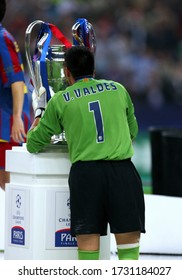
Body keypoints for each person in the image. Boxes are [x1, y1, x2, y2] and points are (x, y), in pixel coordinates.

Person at [26, 45, 145, 260]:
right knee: (129, 248)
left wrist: (36, 120)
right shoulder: (118, 89)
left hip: (86, 175)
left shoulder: (60, 100)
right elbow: (133, 131)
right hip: (122, 172)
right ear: (93, 69)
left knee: (88, 248)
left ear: (66, 72)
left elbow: (33, 144)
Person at [0, 0, 30, 190]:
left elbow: (17, 80)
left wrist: (17, 117)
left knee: (10, 184)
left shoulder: (2, 38)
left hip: (6, 123)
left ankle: (26, 220)